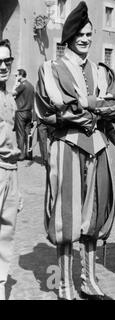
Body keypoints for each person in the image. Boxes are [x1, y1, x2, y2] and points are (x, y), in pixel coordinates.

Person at [36, 1, 115, 300]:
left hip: (97, 149)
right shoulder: (51, 69)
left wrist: (88, 104)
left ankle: (89, 281)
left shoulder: (101, 70)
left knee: (95, 216)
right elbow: (53, 109)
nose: (86, 39)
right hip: (67, 147)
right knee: (67, 217)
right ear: (69, 37)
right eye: (80, 35)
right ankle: (65, 285)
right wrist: (95, 106)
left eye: (89, 34)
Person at [0, 39, 21, 300]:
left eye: (8, 61)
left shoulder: (8, 97)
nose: (3, 66)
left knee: (6, 234)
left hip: (10, 171)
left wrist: (18, 186)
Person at [12, 68, 35, 161]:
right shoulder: (31, 85)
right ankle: (29, 154)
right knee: (28, 134)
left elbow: (12, 93)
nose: (16, 77)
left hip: (21, 112)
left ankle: (21, 155)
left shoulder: (22, 85)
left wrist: (15, 82)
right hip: (29, 112)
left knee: (20, 134)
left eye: (17, 75)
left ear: (21, 75)